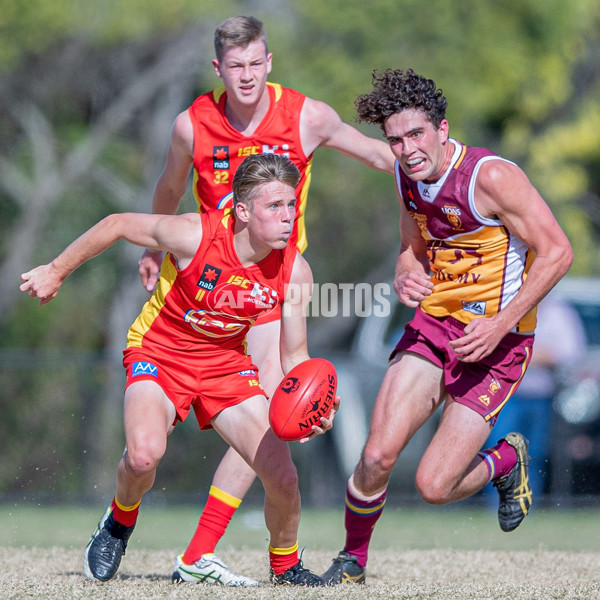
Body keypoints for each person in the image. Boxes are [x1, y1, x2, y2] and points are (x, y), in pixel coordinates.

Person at [136, 15, 396, 585]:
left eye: (256, 63)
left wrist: (440, 163)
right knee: (240, 425)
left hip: (276, 285)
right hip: (211, 282)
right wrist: (155, 251)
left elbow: (384, 158)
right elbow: (169, 187)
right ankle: (172, 536)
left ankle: (203, 553)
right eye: (236, 66)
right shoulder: (192, 125)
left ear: (269, 62)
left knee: (278, 417)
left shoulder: (307, 116)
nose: (247, 76)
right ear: (219, 68)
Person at [20, 153, 337, 587]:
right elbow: (115, 223)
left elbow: (296, 356)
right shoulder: (194, 234)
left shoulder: (294, 271)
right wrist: (56, 271)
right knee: (144, 456)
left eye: (291, 205)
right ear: (242, 211)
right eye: (275, 207)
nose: (288, 218)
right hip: (159, 354)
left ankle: (286, 567)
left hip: (225, 367)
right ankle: (119, 521)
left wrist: (314, 404)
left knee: (282, 476)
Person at [320, 68, 573, 586]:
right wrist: (405, 270)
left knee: (434, 486)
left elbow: (558, 252)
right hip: (435, 326)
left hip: (498, 344)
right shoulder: (404, 175)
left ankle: (505, 459)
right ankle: (351, 563)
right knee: (375, 454)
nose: (408, 149)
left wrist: (501, 324)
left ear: (442, 128)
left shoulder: (491, 177)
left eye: (416, 135)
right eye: (395, 139)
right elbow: (412, 246)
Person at [481, 295, 585, 502]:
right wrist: (537, 355)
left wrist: (523, 354)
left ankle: (526, 505)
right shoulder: (504, 304)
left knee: (533, 453)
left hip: (542, 397)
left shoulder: (559, 312)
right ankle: (496, 505)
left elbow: (570, 353)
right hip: (504, 398)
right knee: (499, 451)